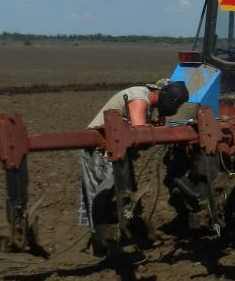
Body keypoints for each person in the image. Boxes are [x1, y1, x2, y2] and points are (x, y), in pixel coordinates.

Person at [77, 80, 189, 249]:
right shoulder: (139, 98)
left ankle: (125, 234)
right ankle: (100, 241)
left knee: (125, 191)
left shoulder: (146, 100)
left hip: (116, 148)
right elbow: (139, 132)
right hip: (99, 149)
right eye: (177, 104)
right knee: (103, 194)